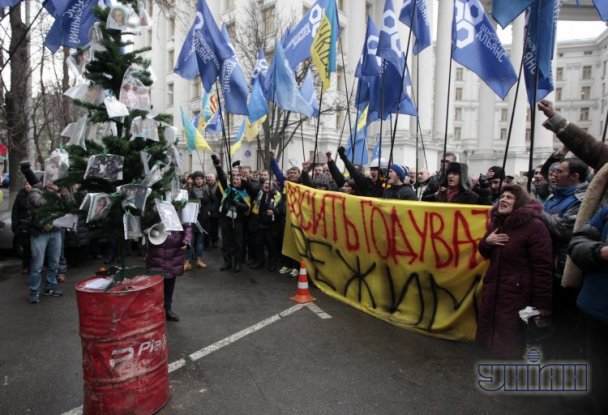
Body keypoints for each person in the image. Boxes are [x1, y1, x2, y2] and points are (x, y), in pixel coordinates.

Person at [477, 185, 553, 358]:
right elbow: (484, 252)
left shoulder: (535, 227)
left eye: (509, 198)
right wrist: (486, 242)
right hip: (494, 290)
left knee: (511, 339)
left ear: (520, 203)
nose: (503, 200)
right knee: (492, 333)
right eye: (502, 196)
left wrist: (542, 306)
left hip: (517, 295)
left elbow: (543, 269)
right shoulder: (498, 223)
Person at [568, 206, 608, 414]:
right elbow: (577, 243)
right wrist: (600, 251)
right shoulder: (606, 212)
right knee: (596, 370)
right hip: (596, 309)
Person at [22, 162, 65, 304]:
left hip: (56, 231)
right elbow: (39, 203)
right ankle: (34, 292)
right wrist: (53, 194)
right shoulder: (35, 191)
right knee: (37, 265)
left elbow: (70, 203)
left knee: (54, 263)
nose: (54, 182)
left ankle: (50, 287)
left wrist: (63, 192)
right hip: (39, 233)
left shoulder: (58, 190)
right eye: (52, 178)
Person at [212, 154, 251, 272]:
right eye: (234, 179)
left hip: (238, 221)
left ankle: (238, 263)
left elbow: (247, 207)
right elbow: (222, 177)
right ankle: (227, 262)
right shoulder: (228, 189)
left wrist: (237, 204)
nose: (235, 181)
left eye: (238, 179)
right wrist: (218, 166)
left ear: (241, 181)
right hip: (226, 219)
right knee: (226, 242)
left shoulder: (244, 192)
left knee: (238, 243)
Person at [146, 224, 192, 322]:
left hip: (174, 252)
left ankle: (167, 309)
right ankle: (155, 311)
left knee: (170, 282)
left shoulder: (178, 214)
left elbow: (187, 225)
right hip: (156, 250)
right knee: (155, 284)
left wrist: (187, 240)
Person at [422, 162, 490, 205]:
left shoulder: (471, 196)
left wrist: (485, 190)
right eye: (449, 173)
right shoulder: (441, 193)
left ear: (462, 177)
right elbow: (423, 201)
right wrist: (435, 195)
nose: (450, 176)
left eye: (455, 174)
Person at [184, 171, 209, 271]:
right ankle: (187, 262)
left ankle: (199, 260)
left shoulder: (206, 190)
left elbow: (212, 201)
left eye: (201, 179)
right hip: (192, 219)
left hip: (203, 219)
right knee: (190, 240)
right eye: (197, 179)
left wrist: (209, 211)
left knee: (200, 241)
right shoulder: (190, 190)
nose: (199, 181)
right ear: (194, 180)